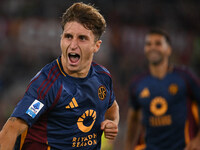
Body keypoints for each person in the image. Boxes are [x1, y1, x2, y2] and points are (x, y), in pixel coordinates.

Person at [0, 2, 119, 150]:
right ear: (61, 39)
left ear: (96, 45)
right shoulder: (47, 83)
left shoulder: (103, 77)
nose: (73, 45)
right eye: (68, 36)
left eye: (82, 38)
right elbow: (11, 129)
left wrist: (112, 122)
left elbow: (112, 107)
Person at [124, 28, 200, 150]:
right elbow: (133, 119)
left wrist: (198, 139)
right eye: (149, 44)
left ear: (168, 49)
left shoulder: (185, 77)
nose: (153, 47)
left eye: (158, 43)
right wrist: (128, 147)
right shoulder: (137, 83)